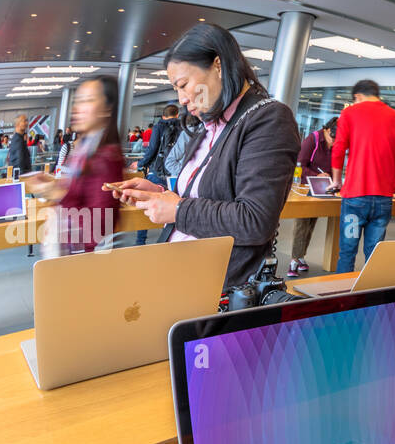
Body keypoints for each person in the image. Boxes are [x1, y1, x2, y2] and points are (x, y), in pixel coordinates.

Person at [115, 22, 299, 291]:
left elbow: (255, 220)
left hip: (217, 288)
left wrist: (177, 210)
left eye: (183, 84)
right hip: (176, 273)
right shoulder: (208, 124)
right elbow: (206, 195)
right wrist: (158, 192)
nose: (182, 100)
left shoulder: (269, 119)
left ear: (218, 65)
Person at [24, 75, 124, 254]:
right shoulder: (84, 147)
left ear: (107, 109)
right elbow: (79, 195)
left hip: (84, 259)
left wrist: (57, 193)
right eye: (77, 101)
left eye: (88, 100)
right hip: (70, 249)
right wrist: (53, 184)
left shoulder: (107, 157)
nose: (77, 108)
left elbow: (99, 226)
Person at [327, 79, 395, 272]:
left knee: (347, 251)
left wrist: (337, 181)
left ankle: (341, 299)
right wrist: (391, 187)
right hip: (383, 200)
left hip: (355, 198)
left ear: (358, 96)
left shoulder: (350, 113)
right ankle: (371, 298)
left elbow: (338, 150)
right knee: (374, 254)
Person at [288, 115, 338, 276]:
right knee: (302, 223)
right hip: (303, 186)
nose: (334, 142)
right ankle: (294, 260)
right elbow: (299, 165)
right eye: (332, 138)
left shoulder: (335, 143)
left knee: (311, 223)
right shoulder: (312, 140)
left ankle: (301, 255)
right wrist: (315, 175)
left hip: (321, 188)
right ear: (327, 130)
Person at [134, 104, 181, 184]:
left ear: (163, 116)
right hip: (176, 171)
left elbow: (152, 148)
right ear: (177, 115)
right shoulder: (182, 127)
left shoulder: (158, 127)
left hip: (157, 170)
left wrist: (140, 163)